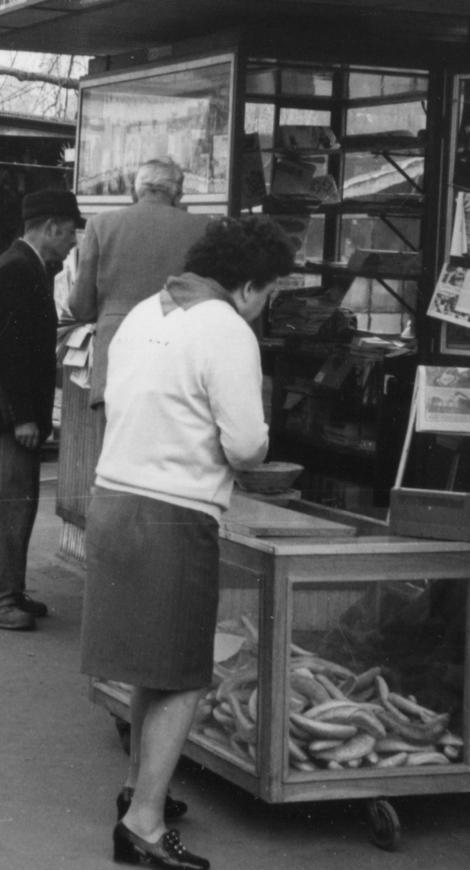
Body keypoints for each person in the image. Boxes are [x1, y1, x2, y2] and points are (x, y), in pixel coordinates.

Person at [81, 216, 294, 870]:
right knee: (183, 677)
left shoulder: (148, 308)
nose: (268, 307)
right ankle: (143, 824)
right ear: (250, 287)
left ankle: (137, 790)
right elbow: (246, 444)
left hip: (113, 500)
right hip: (173, 516)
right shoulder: (227, 328)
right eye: (273, 293)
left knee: (152, 664)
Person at [0, 188, 83, 631]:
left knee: (11, 506)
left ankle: (5, 589)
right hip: (3, 419)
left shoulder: (25, 267)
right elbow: (5, 352)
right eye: (69, 234)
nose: (72, 244)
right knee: (3, 508)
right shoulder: (16, 271)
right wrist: (23, 417)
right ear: (49, 228)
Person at [68, 157, 208, 407]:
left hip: (116, 363)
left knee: (115, 443)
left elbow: (80, 305)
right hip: (177, 366)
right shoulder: (203, 227)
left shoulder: (100, 225)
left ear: (136, 191)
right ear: (178, 194)